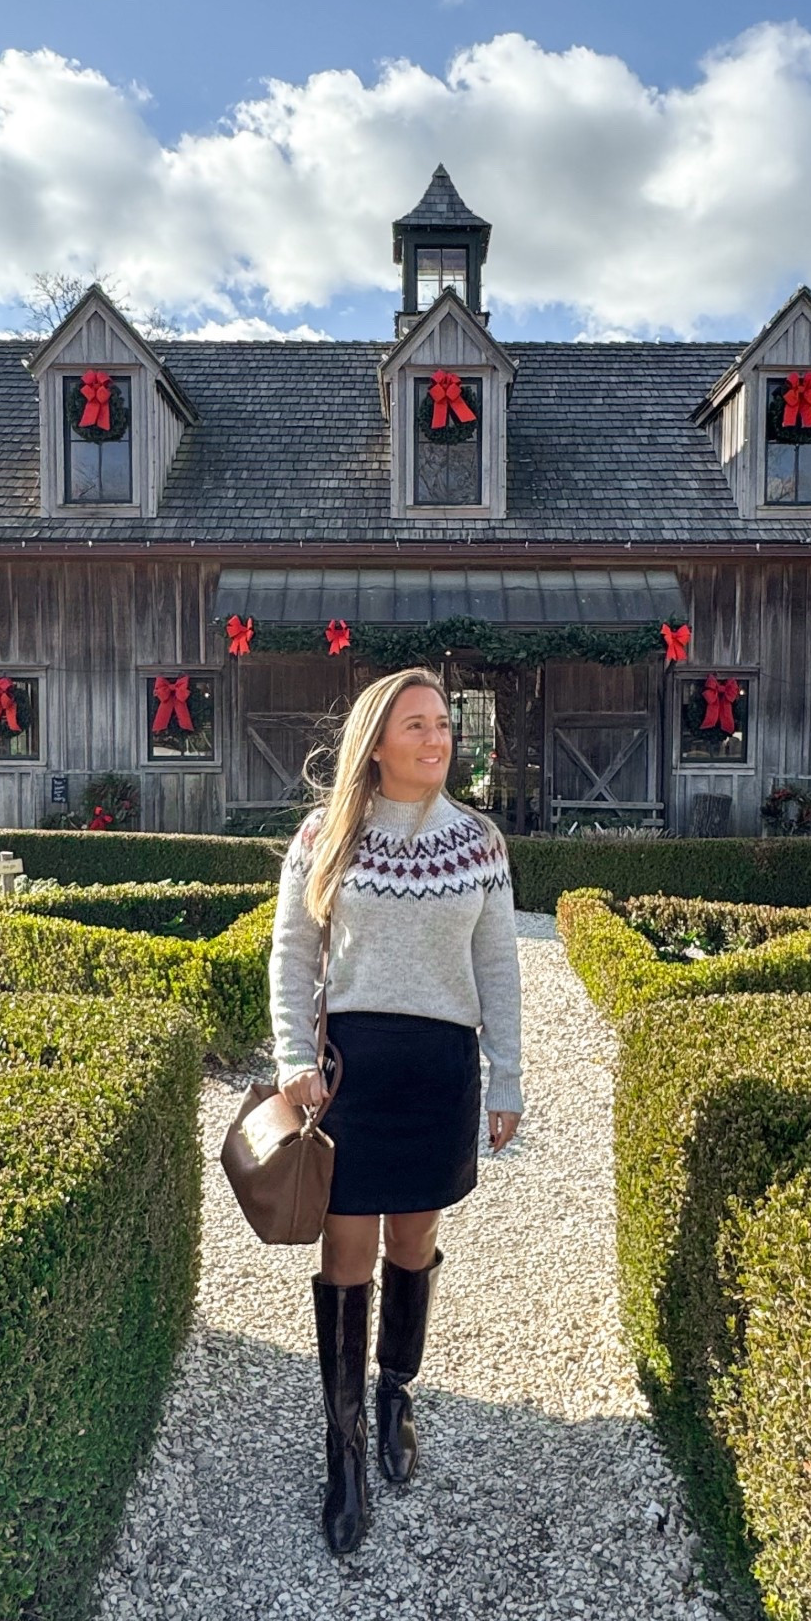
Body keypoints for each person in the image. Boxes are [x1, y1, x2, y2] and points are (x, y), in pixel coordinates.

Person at [268, 667, 523, 1557]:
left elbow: (499, 970)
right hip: (351, 1078)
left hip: (440, 1072)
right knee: (345, 1255)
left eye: (444, 724)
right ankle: (342, 1453)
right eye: (416, 724)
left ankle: (395, 1398)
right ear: (376, 743)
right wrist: (294, 1058)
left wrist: (508, 1078)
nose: (436, 738)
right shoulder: (326, 836)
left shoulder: (480, 842)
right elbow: (293, 959)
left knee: (412, 1242)